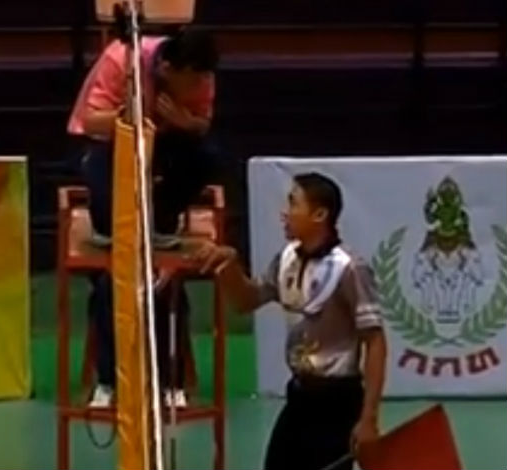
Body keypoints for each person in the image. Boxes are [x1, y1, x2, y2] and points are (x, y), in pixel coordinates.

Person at [67, 28, 220, 408]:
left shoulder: (201, 75)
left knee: (206, 156)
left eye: (204, 79)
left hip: (167, 146)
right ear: (168, 68)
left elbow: (203, 124)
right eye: (193, 80)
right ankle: (108, 382)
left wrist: (184, 122)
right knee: (112, 278)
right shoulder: (122, 59)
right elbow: (91, 121)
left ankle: (170, 383)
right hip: (112, 145)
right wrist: (129, 117)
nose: (200, 87)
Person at [193, 172, 387, 470]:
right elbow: (246, 301)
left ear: (319, 215)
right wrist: (228, 264)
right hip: (298, 397)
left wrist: (368, 418)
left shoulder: (350, 269)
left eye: (294, 203)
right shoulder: (286, 260)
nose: (285, 213)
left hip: (337, 402)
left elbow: (375, 342)